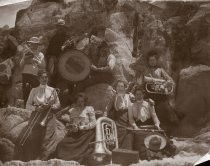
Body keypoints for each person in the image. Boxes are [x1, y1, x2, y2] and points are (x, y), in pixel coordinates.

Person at [17, 70, 61, 161]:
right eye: (42, 77)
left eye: (46, 77)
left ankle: (44, 158)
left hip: (49, 114)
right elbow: (28, 105)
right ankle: (33, 158)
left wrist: (51, 106)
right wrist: (36, 108)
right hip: (36, 114)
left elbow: (58, 105)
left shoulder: (53, 90)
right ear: (38, 78)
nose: (44, 79)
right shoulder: (34, 90)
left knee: (48, 137)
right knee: (34, 136)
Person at [56, 92, 96, 164]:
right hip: (75, 133)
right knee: (62, 144)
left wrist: (82, 127)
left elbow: (93, 123)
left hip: (87, 133)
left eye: (82, 101)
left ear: (85, 101)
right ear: (76, 101)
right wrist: (71, 126)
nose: (80, 103)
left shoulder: (89, 109)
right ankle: (66, 161)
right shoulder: (72, 110)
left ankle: (77, 160)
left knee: (81, 149)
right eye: (78, 101)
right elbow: (71, 123)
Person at [19, 36, 46, 106]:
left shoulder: (40, 54)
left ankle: (34, 108)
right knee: (26, 92)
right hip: (25, 74)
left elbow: (43, 66)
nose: (33, 45)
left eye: (35, 44)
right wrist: (24, 59)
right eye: (32, 44)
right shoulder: (26, 52)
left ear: (37, 45)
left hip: (34, 75)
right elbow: (20, 65)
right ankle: (26, 107)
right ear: (30, 44)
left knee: (34, 92)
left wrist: (35, 60)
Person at [108, 80, 134, 149]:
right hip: (118, 124)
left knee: (128, 144)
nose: (120, 88)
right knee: (117, 146)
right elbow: (108, 111)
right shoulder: (113, 98)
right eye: (118, 86)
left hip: (129, 124)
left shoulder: (130, 96)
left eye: (122, 86)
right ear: (115, 87)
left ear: (125, 88)